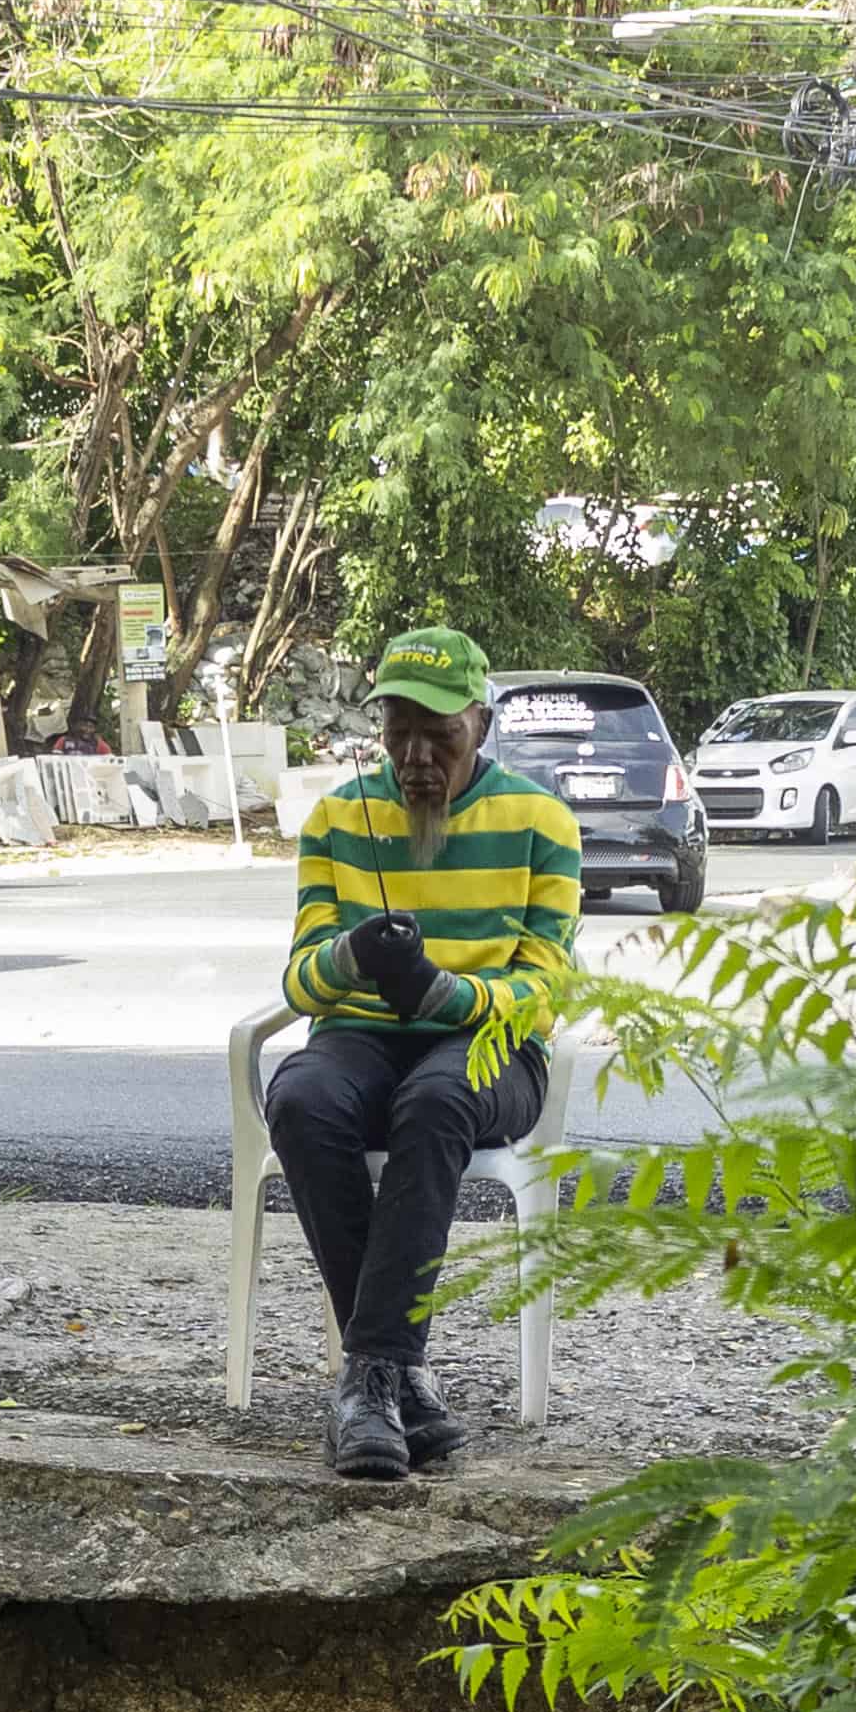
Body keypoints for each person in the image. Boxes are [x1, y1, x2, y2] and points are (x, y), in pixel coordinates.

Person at [263, 627, 578, 1482]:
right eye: (399, 731)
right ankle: (398, 1375)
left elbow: (547, 989)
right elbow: (301, 981)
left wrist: (446, 995)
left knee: (436, 1101)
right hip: (360, 1036)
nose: (417, 758)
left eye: (440, 736)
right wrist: (356, 955)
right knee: (298, 1097)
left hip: (490, 1046)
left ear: (482, 724)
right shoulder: (338, 819)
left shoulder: (542, 823)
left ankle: (368, 1377)